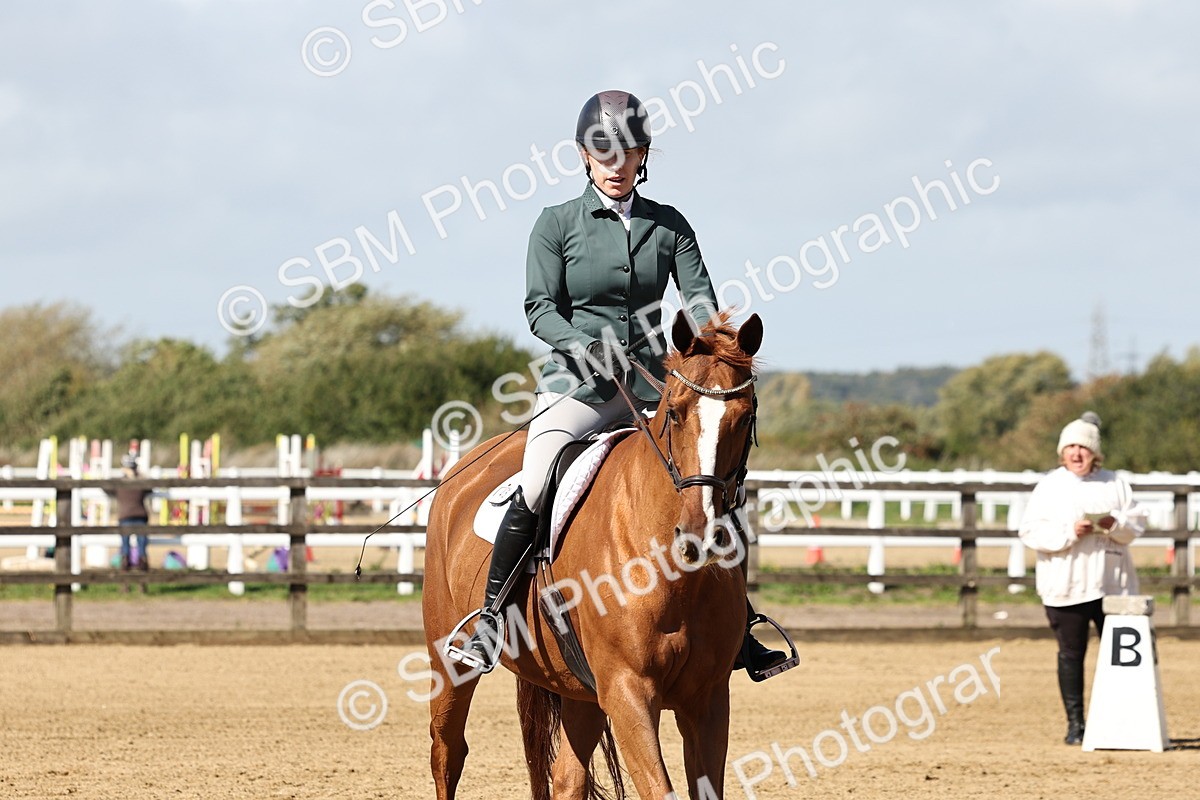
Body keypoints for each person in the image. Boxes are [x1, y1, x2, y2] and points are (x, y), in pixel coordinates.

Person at [450, 90, 790, 677]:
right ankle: (491, 621)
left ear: (642, 155)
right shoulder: (556, 224)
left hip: (653, 389)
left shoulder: (669, 225)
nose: (614, 162)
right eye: (602, 150)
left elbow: (701, 303)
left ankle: (738, 630)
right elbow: (539, 308)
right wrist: (583, 346)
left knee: (710, 486)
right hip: (576, 385)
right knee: (536, 481)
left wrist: (718, 349)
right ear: (584, 155)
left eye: (626, 151)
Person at [1018, 411, 1146, 745]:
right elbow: (1030, 531)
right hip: (1067, 585)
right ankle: (1076, 724)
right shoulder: (1049, 486)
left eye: (1083, 448)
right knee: (1071, 655)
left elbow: (1136, 526)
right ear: (1062, 452)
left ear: (1095, 453)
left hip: (1112, 584)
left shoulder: (1115, 483)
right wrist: (1070, 532)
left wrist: (1113, 525)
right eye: (1071, 447)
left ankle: (1120, 721)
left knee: (1119, 659)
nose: (1077, 454)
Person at [113, 454, 152, 573]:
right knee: (142, 548)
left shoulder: (119, 483)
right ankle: (142, 580)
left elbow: (105, 487)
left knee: (125, 548)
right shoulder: (141, 482)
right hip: (140, 517)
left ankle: (125, 580)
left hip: (125, 517)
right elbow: (150, 488)